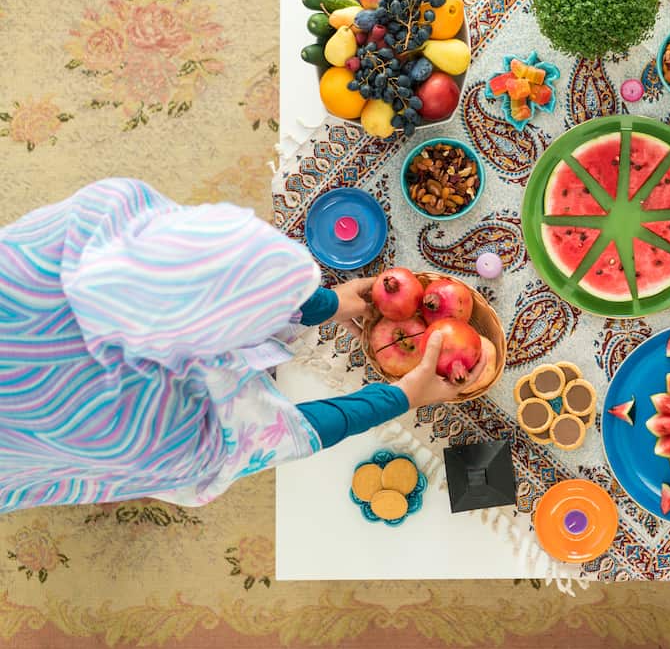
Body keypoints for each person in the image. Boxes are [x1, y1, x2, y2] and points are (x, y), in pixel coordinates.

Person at [0, 178, 494, 513]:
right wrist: (406, 396)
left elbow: (214, 284)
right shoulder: (155, 439)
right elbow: (282, 436)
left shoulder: (100, 211)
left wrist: (328, 304)